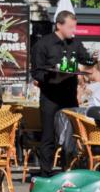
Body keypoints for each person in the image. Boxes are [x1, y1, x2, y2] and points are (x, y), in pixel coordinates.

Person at [31, 10, 93, 176]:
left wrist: (89, 61)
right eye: (71, 27)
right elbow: (36, 72)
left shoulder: (75, 44)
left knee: (72, 134)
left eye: (75, 27)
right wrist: (54, 78)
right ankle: (46, 173)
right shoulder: (43, 44)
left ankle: (69, 170)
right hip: (50, 95)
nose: (74, 31)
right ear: (59, 25)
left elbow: (87, 60)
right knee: (48, 135)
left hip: (69, 95)